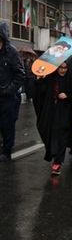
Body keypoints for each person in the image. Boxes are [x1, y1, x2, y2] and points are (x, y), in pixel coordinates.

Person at [33, 61, 72, 175]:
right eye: (60, 68)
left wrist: (67, 95)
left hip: (65, 112)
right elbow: (40, 92)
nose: (63, 70)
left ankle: (58, 162)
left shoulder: (70, 79)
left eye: (65, 68)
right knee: (48, 132)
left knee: (62, 135)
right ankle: (52, 153)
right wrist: (39, 80)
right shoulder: (50, 79)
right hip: (51, 112)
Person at [0, 22, 25, 162]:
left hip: (9, 98)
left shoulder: (11, 52)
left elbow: (20, 74)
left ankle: (7, 151)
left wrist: (8, 90)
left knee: (7, 125)